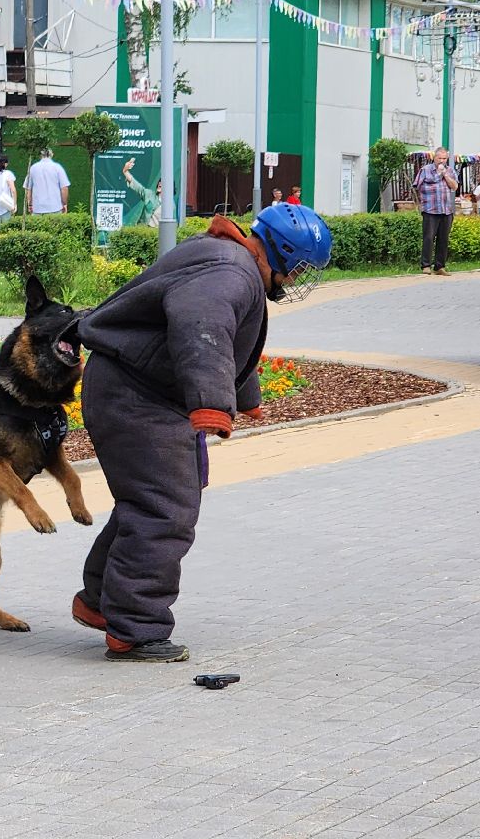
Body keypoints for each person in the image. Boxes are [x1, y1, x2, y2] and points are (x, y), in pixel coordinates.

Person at [72, 202, 334, 662]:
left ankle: (100, 603)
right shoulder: (231, 273)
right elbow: (203, 327)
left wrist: (244, 396)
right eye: (300, 269)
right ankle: (135, 629)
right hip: (136, 395)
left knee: (148, 504)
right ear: (286, 254)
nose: (296, 280)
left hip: (132, 386)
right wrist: (212, 402)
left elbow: (233, 337)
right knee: (164, 511)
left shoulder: (227, 257)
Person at [416, 146, 457, 275]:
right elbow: (417, 185)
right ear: (434, 158)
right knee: (428, 237)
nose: (442, 161)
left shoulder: (450, 171)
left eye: (444, 158)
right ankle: (426, 265)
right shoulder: (425, 170)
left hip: (446, 210)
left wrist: (444, 174)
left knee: (443, 239)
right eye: (440, 158)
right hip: (430, 209)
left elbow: (454, 186)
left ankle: (440, 266)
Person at [24, 148, 70, 215]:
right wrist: (64, 204)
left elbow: (29, 189)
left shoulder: (33, 168)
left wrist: (30, 204)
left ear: (40, 155)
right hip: (55, 207)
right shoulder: (58, 167)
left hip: (37, 208)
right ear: (52, 155)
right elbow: (64, 188)